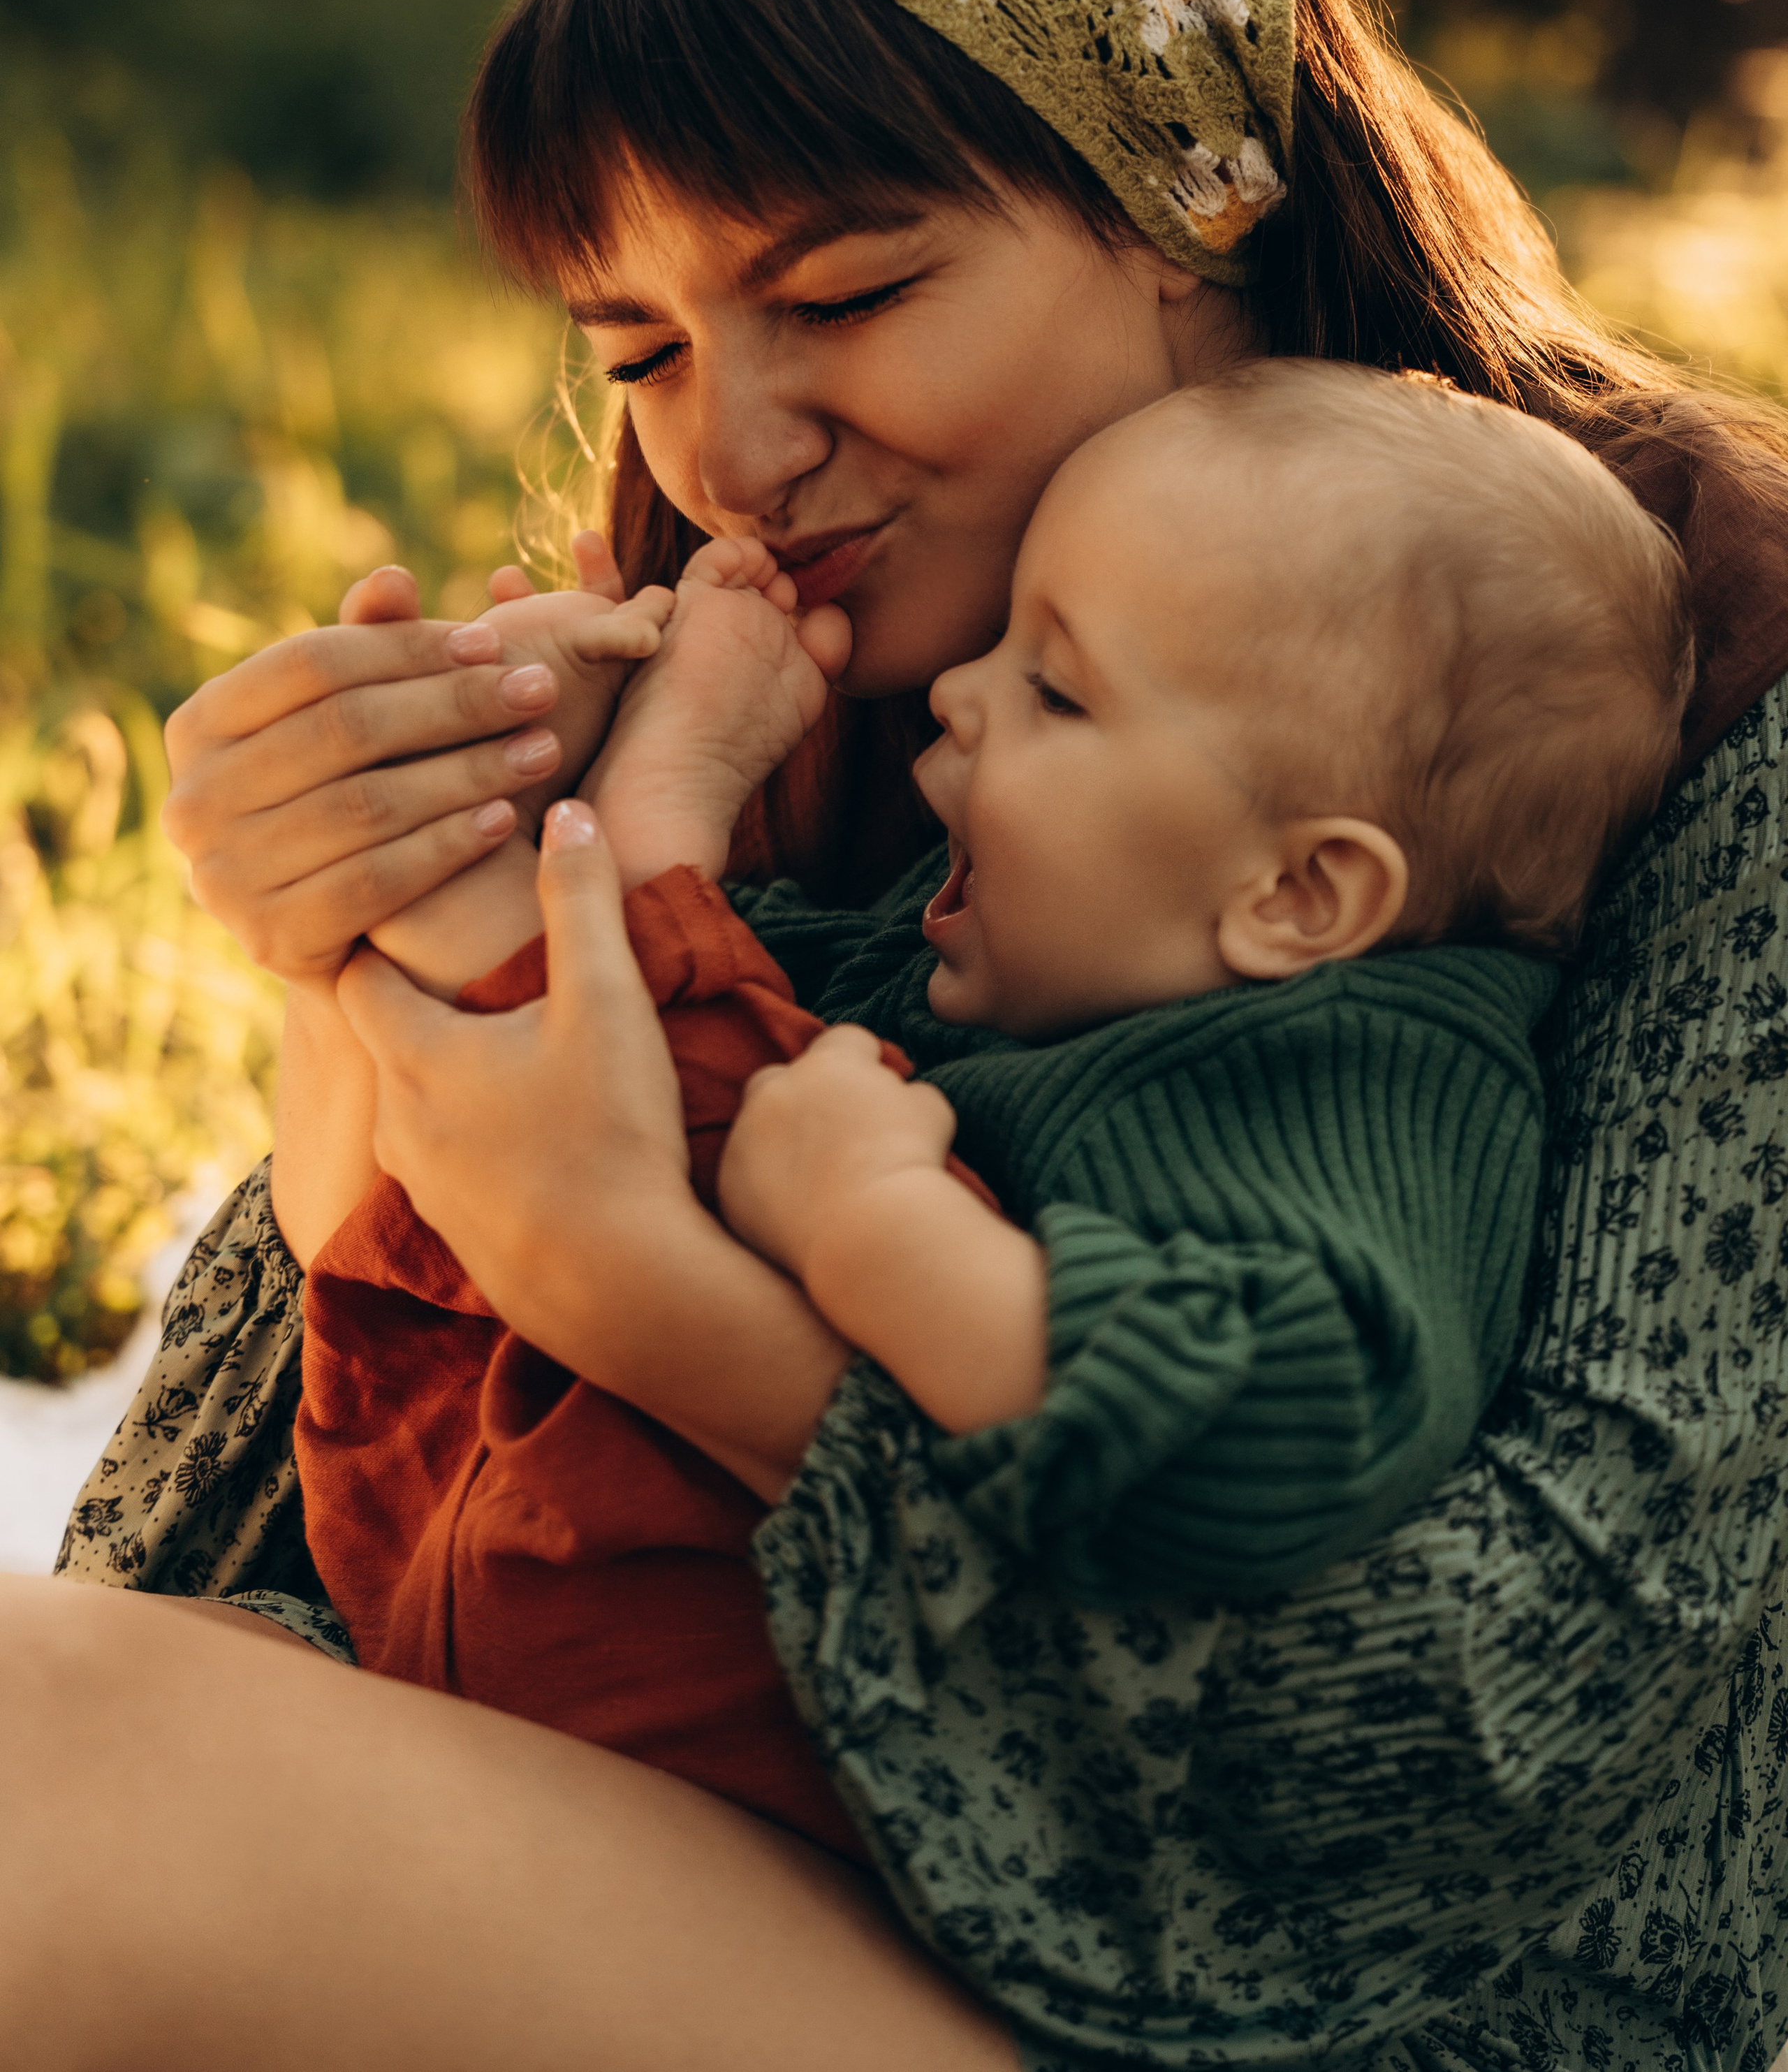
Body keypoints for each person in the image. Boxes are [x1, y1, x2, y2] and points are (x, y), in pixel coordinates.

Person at [13, 0, 1787, 2069]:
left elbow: (1498, 1729)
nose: (729, 447)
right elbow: (207, 1545)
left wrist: (664, 1303)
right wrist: (357, 944)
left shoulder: (1710, 700)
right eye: (633, 342)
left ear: (1188, 200)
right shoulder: (819, 678)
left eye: (842, 295)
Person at [295, 360, 1694, 2011]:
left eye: (1057, 689)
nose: (959, 693)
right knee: (576, 985)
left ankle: (603, 835)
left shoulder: (1359, 1072)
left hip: (805, 1819)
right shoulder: (1090, 965)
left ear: (1302, 891)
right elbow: (787, 1026)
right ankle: (550, 821)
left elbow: (1282, 1423)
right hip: (529, 1676)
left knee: (605, 1009)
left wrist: (869, 1227)